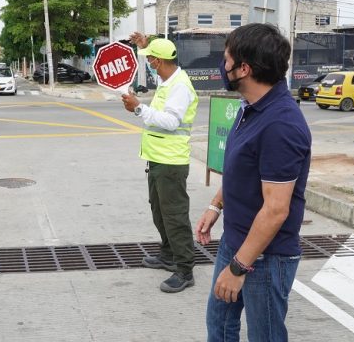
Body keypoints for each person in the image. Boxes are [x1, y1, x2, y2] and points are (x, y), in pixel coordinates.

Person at [195, 23, 311, 341]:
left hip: (265, 257)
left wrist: (238, 269)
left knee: (266, 336)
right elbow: (240, 169)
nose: (224, 65)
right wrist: (215, 205)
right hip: (237, 241)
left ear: (244, 68)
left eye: (227, 59)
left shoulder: (281, 124)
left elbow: (275, 209)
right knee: (218, 326)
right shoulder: (251, 108)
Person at [121, 33, 199, 293]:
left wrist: (139, 108)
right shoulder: (168, 81)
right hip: (157, 159)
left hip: (171, 162)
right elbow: (157, 62)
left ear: (160, 61)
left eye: (152, 61)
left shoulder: (180, 86)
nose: (150, 65)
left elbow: (171, 122)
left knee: (175, 216)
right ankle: (167, 255)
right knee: (159, 211)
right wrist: (146, 45)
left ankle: (185, 269)